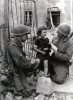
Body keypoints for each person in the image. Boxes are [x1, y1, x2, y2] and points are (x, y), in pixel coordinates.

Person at [7, 25, 40, 97]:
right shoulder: (12, 45)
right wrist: (33, 63)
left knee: (36, 62)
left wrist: (32, 61)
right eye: (26, 35)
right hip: (12, 71)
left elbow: (22, 58)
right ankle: (12, 86)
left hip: (18, 68)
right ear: (20, 35)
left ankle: (22, 80)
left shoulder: (17, 44)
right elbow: (21, 62)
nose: (27, 37)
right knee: (27, 93)